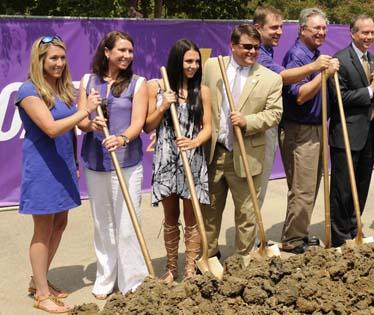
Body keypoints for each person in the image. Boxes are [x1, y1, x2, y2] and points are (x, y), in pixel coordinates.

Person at [17, 35, 100, 313]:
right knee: (42, 231)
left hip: (63, 166)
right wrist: (84, 111)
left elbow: (74, 126)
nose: (59, 63)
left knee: (60, 224)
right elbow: (51, 128)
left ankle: (37, 280)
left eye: (62, 58)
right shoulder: (28, 91)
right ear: (39, 60)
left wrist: (91, 123)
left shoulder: (61, 89)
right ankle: (42, 296)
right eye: (53, 58)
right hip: (42, 170)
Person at [78, 31, 148, 299]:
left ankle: (133, 278)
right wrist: (90, 122)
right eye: (121, 51)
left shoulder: (138, 83)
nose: (127, 56)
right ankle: (106, 277)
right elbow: (81, 119)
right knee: (103, 222)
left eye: (130, 51)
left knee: (128, 221)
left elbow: (138, 123)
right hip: (96, 162)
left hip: (127, 163)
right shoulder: (88, 81)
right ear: (107, 52)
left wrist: (121, 138)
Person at [201, 24, 283, 258]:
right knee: (210, 210)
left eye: (256, 48)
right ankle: (210, 256)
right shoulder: (213, 67)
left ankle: (243, 260)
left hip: (247, 153)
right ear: (233, 46)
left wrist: (247, 121)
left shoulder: (270, 79)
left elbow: (275, 114)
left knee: (247, 213)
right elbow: (201, 98)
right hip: (215, 152)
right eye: (247, 47)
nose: (252, 52)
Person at [144, 39, 212, 282]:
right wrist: (163, 105)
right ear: (177, 61)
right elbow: (147, 126)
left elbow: (208, 128)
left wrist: (194, 143)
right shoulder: (158, 88)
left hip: (191, 157)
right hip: (166, 158)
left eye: (196, 61)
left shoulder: (202, 91)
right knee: (171, 216)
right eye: (188, 61)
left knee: (191, 217)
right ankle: (172, 269)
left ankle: (190, 268)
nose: (193, 66)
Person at [253, 6, 330, 209]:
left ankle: (259, 238)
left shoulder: (268, 50)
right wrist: (318, 69)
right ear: (258, 28)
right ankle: (255, 240)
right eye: (274, 28)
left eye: (281, 27)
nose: (279, 32)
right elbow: (284, 79)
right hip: (261, 126)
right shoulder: (259, 55)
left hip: (270, 123)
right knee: (259, 187)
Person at [278, 8, 339, 253]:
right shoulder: (298, 56)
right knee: (302, 187)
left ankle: (300, 234)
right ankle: (292, 239)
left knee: (312, 185)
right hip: (299, 130)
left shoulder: (314, 54)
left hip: (316, 127)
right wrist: (322, 74)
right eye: (316, 28)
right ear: (303, 29)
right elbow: (301, 95)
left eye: (324, 28)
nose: (321, 32)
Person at [329, 14, 374, 246]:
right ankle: (339, 237)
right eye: (364, 33)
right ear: (352, 33)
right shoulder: (340, 60)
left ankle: (355, 229)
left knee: (361, 185)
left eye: (372, 32)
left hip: (370, 133)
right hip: (347, 134)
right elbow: (339, 97)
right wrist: (371, 90)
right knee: (343, 188)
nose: (368, 37)